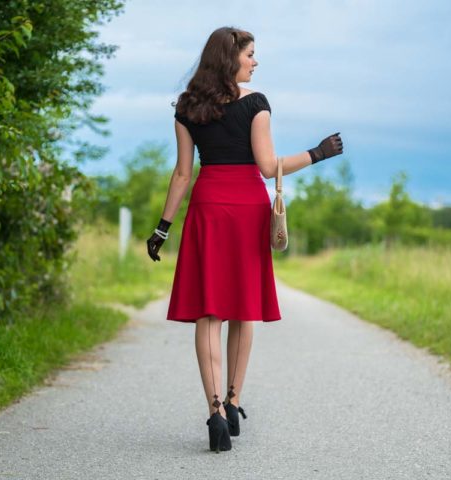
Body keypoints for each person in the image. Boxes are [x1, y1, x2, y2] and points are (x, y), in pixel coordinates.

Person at [146, 26, 343, 453]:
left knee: (208, 313)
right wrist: (318, 153)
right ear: (230, 58)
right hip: (247, 210)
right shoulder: (256, 104)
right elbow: (268, 163)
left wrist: (162, 227)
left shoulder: (186, 107)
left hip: (208, 209)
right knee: (242, 308)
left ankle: (216, 411)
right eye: (251, 55)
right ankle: (234, 401)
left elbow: (182, 173)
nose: (255, 62)